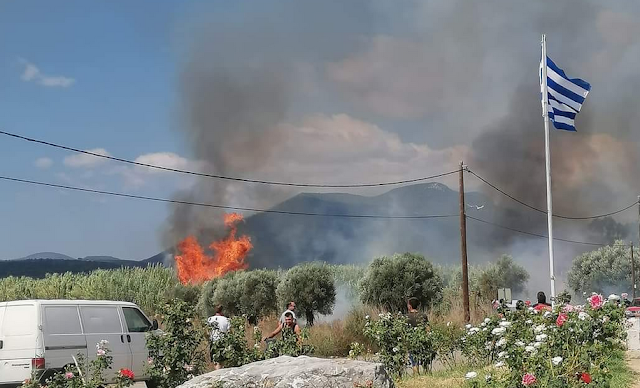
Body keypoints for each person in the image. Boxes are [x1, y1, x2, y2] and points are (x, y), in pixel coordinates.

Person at [406, 298, 428, 374]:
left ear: (410, 306)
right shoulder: (423, 316)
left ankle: (416, 376)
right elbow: (427, 329)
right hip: (422, 340)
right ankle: (426, 374)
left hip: (411, 341)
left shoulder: (407, 317)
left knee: (414, 362)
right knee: (424, 360)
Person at [207, 305, 230, 370]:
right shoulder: (226, 320)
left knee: (215, 361)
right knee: (222, 361)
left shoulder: (210, 319)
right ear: (222, 310)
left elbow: (207, 332)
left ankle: (217, 375)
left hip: (213, 341)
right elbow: (229, 332)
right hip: (222, 341)